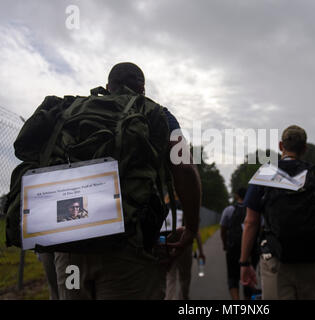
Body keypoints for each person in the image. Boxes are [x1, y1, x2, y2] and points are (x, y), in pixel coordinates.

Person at [8, 62, 201, 300]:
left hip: (69, 247)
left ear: (108, 86)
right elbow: (186, 170)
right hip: (128, 249)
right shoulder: (158, 114)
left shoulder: (72, 110)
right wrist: (191, 226)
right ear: (142, 89)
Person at [240, 125, 315, 300]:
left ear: (281, 146)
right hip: (313, 262)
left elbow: (251, 222)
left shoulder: (265, 175)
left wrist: (244, 263)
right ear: (305, 148)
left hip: (276, 261)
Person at [220, 188, 260, 300]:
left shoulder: (229, 210)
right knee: (248, 277)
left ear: (237, 196)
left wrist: (225, 244)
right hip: (251, 249)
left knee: (232, 276)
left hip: (233, 248)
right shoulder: (254, 210)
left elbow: (223, 229)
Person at [164, 196, 205, 300]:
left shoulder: (165, 208)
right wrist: (201, 251)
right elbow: (195, 231)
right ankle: (183, 297)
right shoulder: (187, 207)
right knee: (185, 277)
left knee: (170, 278)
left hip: (167, 246)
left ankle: (169, 297)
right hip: (185, 246)